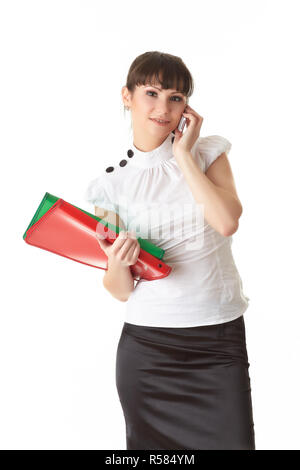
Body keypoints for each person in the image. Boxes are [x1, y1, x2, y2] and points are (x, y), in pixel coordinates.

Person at [84, 51, 255, 450]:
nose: (163, 108)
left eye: (176, 97)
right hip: (148, 351)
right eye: (151, 93)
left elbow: (227, 222)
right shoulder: (111, 186)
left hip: (218, 342)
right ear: (127, 96)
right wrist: (118, 261)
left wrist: (183, 156)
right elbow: (120, 290)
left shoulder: (208, 153)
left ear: (187, 107)